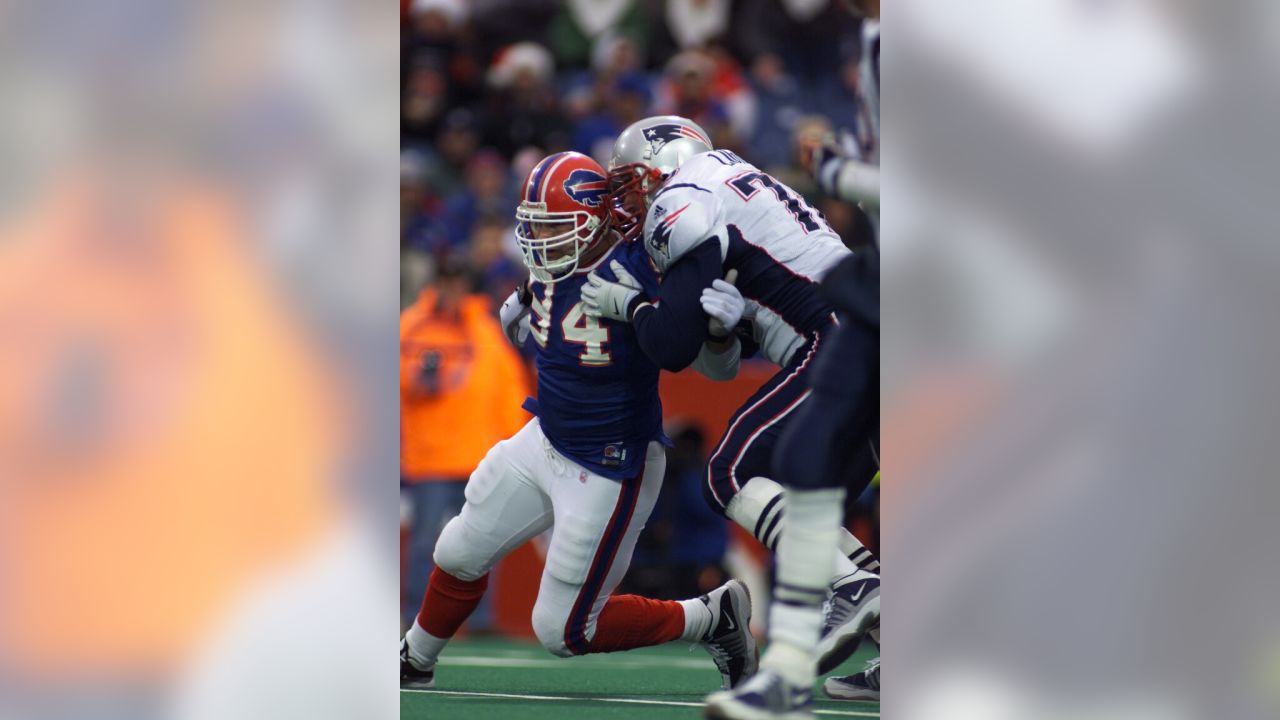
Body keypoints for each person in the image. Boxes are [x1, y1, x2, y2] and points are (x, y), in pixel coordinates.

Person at [400, 151, 757, 691]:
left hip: (611, 461)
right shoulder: (552, 262)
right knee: (456, 549)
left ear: (595, 222)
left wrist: (718, 333)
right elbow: (551, 310)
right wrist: (525, 317)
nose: (541, 241)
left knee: (562, 630)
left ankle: (710, 616)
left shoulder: (645, 264)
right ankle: (414, 658)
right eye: (535, 226)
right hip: (547, 434)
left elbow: (709, 364)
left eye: (555, 227)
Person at [583, 115, 880, 718]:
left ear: (662, 165)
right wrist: (719, 329)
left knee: (730, 475)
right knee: (809, 498)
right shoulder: (729, 185)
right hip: (871, 330)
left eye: (634, 181)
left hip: (845, 338)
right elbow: (715, 359)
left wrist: (631, 303)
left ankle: (857, 589)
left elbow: (667, 346)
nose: (632, 199)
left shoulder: (682, 197)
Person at [399, 257, 531, 630]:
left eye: (458, 281)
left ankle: (480, 620)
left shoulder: (485, 330)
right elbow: (400, 381)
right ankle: (416, 617)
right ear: (435, 283)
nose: (451, 288)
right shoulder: (412, 324)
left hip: (479, 455)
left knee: (484, 543)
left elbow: (509, 387)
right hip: (431, 457)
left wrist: (511, 444)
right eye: (445, 280)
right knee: (426, 542)